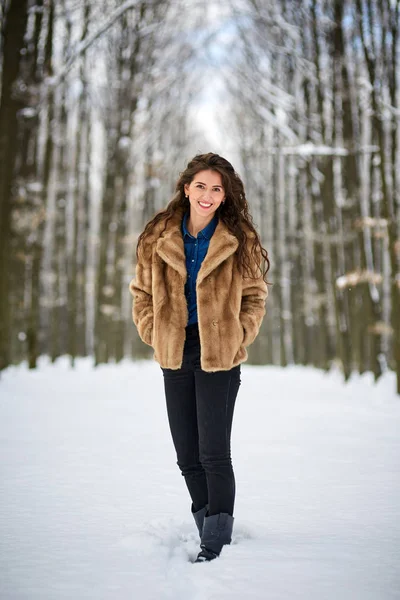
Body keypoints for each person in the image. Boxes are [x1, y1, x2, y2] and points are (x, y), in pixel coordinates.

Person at [129, 152, 270, 563]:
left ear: (225, 196)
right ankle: (210, 525)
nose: (207, 195)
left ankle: (215, 544)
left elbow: (255, 296)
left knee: (213, 454)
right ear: (186, 188)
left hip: (220, 357)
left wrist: (238, 336)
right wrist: (153, 331)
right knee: (187, 456)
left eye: (216, 188)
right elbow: (141, 292)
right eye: (201, 186)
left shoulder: (236, 238)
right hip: (174, 352)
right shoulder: (159, 235)